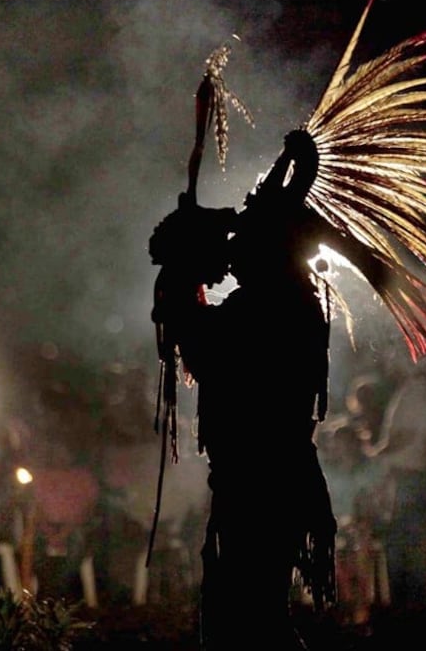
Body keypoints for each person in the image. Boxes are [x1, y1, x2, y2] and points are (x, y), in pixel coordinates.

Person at [149, 129, 338, 650]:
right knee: (250, 613)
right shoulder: (278, 300)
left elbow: (208, 351)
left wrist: (183, 274)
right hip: (262, 479)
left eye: (243, 242)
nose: (232, 254)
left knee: (250, 617)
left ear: (270, 250)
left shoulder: (273, 308)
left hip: (264, 482)